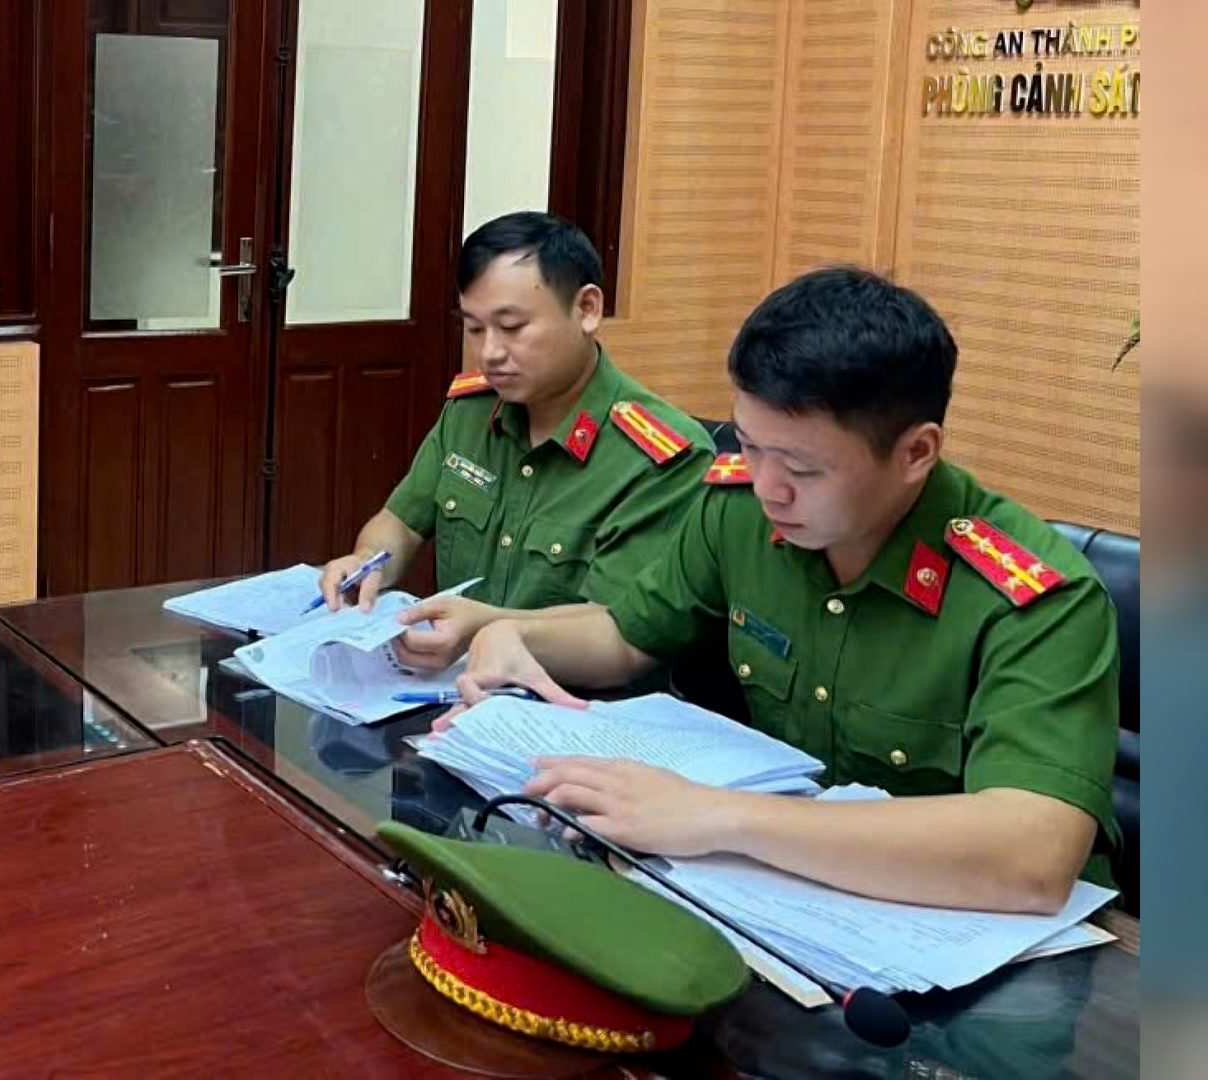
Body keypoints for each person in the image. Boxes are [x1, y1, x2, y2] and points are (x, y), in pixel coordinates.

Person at [446, 266, 1119, 914]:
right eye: (751, 445)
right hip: (778, 892)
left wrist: (717, 816)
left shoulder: (1033, 599)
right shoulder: (739, 510)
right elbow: (627, 633)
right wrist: (512, 631)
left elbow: (1034, 855)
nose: (769, 487)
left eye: (802, 467)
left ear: (916, 453)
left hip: (980, 940)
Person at [315, 212, 713, 671]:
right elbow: (401, 522)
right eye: (474, 328)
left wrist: (484, 628)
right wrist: (368, 562)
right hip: (453, 688)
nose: (489, 353)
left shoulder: (660, 458)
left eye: (512, 327)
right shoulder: (471, 411)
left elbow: (621, 634)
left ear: (586, 309)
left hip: (574, 703)